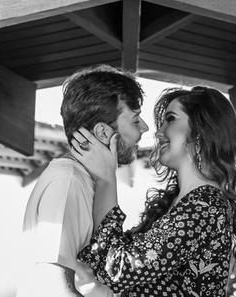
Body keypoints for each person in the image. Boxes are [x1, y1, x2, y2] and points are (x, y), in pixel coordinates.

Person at [70, 86, 236, 297]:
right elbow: (106, 259)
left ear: (201, 131)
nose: (158, 132)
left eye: (170, 119)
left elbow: (118, 269)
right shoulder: (182, 205)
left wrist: (106, 178)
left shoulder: (205, 206)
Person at [18, 65, 149, 297]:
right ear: (102, 132)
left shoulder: (84, 181)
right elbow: (50, 287)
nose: (145, 128)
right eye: (135, 119)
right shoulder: (68, 181)